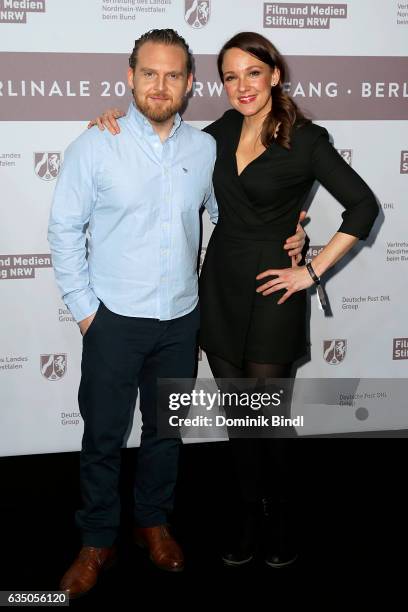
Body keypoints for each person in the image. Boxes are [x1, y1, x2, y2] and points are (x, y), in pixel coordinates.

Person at [92, 30, 379, 569]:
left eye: (253, 72)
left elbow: (362, 208)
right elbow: (162, 147)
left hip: (274, 290)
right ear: (219, 83)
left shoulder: (308, 139)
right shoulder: (217, 132)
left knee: (266, 419)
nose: (242, 85)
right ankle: (247, 514)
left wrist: (310, 270)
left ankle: (279, 514)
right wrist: (112, 124)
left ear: (275, 74)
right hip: (218, 285)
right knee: (237, 418)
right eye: (230, 75)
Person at [48, 28, 307, 597]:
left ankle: (153, 523)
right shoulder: (96, 145)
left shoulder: (204, 148)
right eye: (149, 73)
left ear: (190, 84)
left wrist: (291, 233)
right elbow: (64, 229)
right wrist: (87, 311)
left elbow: (232, 212)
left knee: (165, 433)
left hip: (183, 319)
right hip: (113, 318)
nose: (159, 85)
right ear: (130, 77)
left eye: (172, 75)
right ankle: (95, 541)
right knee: (104, 436)